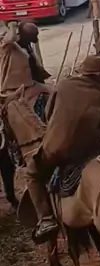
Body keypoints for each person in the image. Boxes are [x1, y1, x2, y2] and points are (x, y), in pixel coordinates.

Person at [18, 55, 100, 235]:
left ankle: (45, 219)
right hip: (88, 150)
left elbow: (48, 113)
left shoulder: (63, 85)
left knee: (32, 174)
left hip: (56, 148)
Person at [0, 22, 53, 239]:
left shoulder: (24, 47)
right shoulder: (7, 45)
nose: (36, 40)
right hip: (11, 93)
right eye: (32, 36)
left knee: (55, 93)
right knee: (22, 121)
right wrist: (13, 23)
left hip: (30, 85)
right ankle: (22, 150)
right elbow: (9, 37)